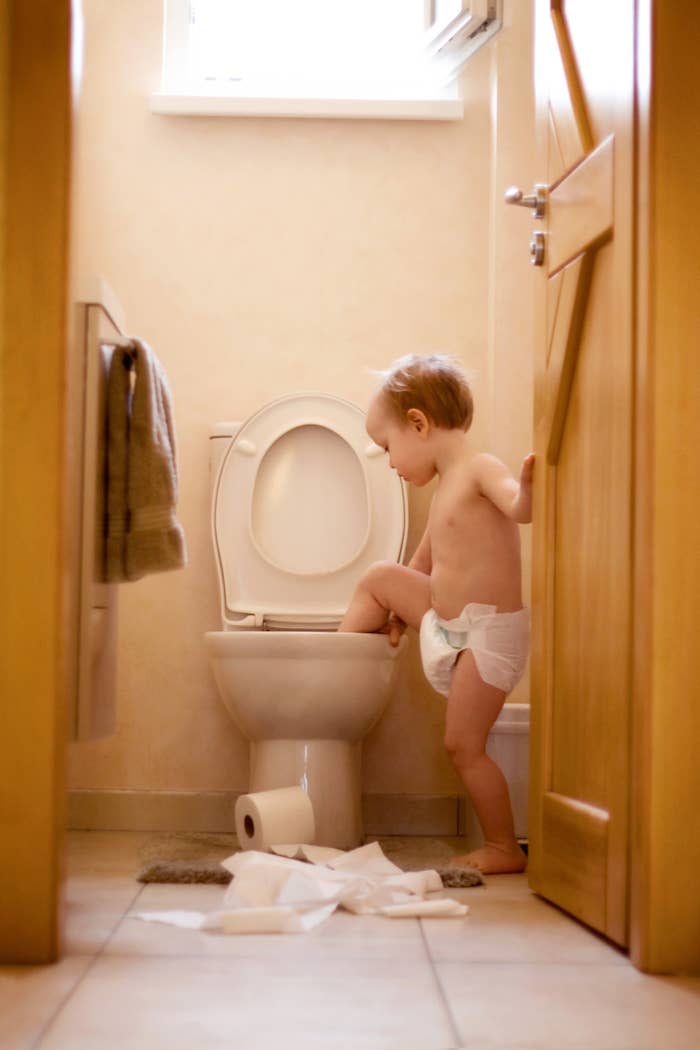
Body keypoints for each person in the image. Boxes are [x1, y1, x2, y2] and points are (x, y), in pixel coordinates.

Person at [339, 354, 534, 874]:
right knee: (379, 576)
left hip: (487, 635)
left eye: (387, 446)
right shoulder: (446, 486)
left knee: (462, 746)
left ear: (418, 424)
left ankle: (502, 847)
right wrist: (395, 608)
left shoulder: (480, 469)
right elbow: (420, 566)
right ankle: (339, 667)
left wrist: (531, 489)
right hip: (450, 624)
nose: (389, 461)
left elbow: (518, 506)